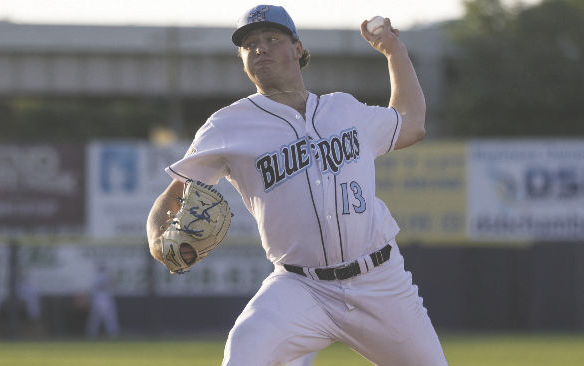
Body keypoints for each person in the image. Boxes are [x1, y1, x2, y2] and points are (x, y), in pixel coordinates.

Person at [147, 4, 448, 365]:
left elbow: (411, 122)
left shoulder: (345, 110)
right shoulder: (228, 125)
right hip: (301, 287)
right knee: (244, 351)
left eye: (272, 39)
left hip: (380, 281)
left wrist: (394, 50)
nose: (259, 48)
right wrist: (156, 238)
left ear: (298, 49)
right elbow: (175, 193)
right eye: (249, 44)